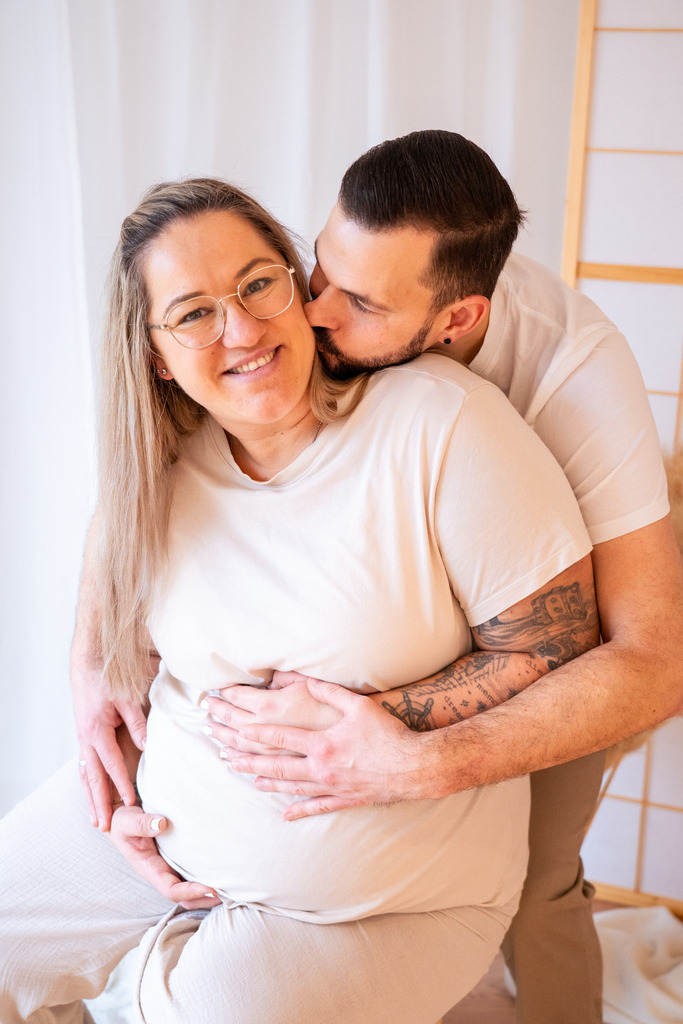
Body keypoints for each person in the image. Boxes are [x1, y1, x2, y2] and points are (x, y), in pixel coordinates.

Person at [0, 178, 599, 1023]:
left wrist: (391, 717)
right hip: (160, 827)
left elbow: (563, 643)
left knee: (206, 1012)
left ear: (299, 283)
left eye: (257, 284)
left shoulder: (438, 425)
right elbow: (114, 562)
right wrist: (119, 765)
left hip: (389, 899)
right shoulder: (159, 471)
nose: (240, 329)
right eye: (194, 312)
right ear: (155, 353)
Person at [178, 132, 683, 1024]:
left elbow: (655, 660)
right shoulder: (308, 316)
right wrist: (92, 659)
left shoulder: (577, 374)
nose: (316, 313)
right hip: (418, 614)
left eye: (360, 302)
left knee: (537, 878)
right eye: (317, 270)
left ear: (455, 322)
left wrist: (414, 754)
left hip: (568, 644)